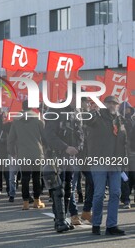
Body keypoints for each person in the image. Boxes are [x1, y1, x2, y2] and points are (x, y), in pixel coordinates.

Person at [44, 87, 84, 232]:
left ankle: (62, 219)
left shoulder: (77, 113)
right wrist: (65, 147)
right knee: (57, 190)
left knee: (68, 190)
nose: (76, 101)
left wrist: (78, 147)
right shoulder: (55, 110)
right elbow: (49, 135)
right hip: (56, 156)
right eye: (74, 98)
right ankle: (60, 221)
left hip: (71, 157)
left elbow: (81, 134)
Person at [87, 96, 127, 235]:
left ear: (118, 106)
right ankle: (96, 224)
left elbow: (124, 142)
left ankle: (111, 226)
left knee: (116, 193)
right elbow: (88, 121)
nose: (112, 105)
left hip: (116, 162)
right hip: (99, 161)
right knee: (99, 194)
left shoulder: (120, 120)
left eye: (115, 104)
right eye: (109, 103)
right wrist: (92, 111)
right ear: (104, 104)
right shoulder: (97, 117)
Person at [7, 100, 45, 209]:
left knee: (25, 177)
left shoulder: (16, 121)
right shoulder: (38, 119)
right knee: (37, 177)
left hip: (23, 153)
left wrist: (12, 151)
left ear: (22, 107)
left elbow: (11, 139)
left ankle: (25, 202)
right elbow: (45, 136)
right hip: (37, 152)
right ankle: (37, 201)